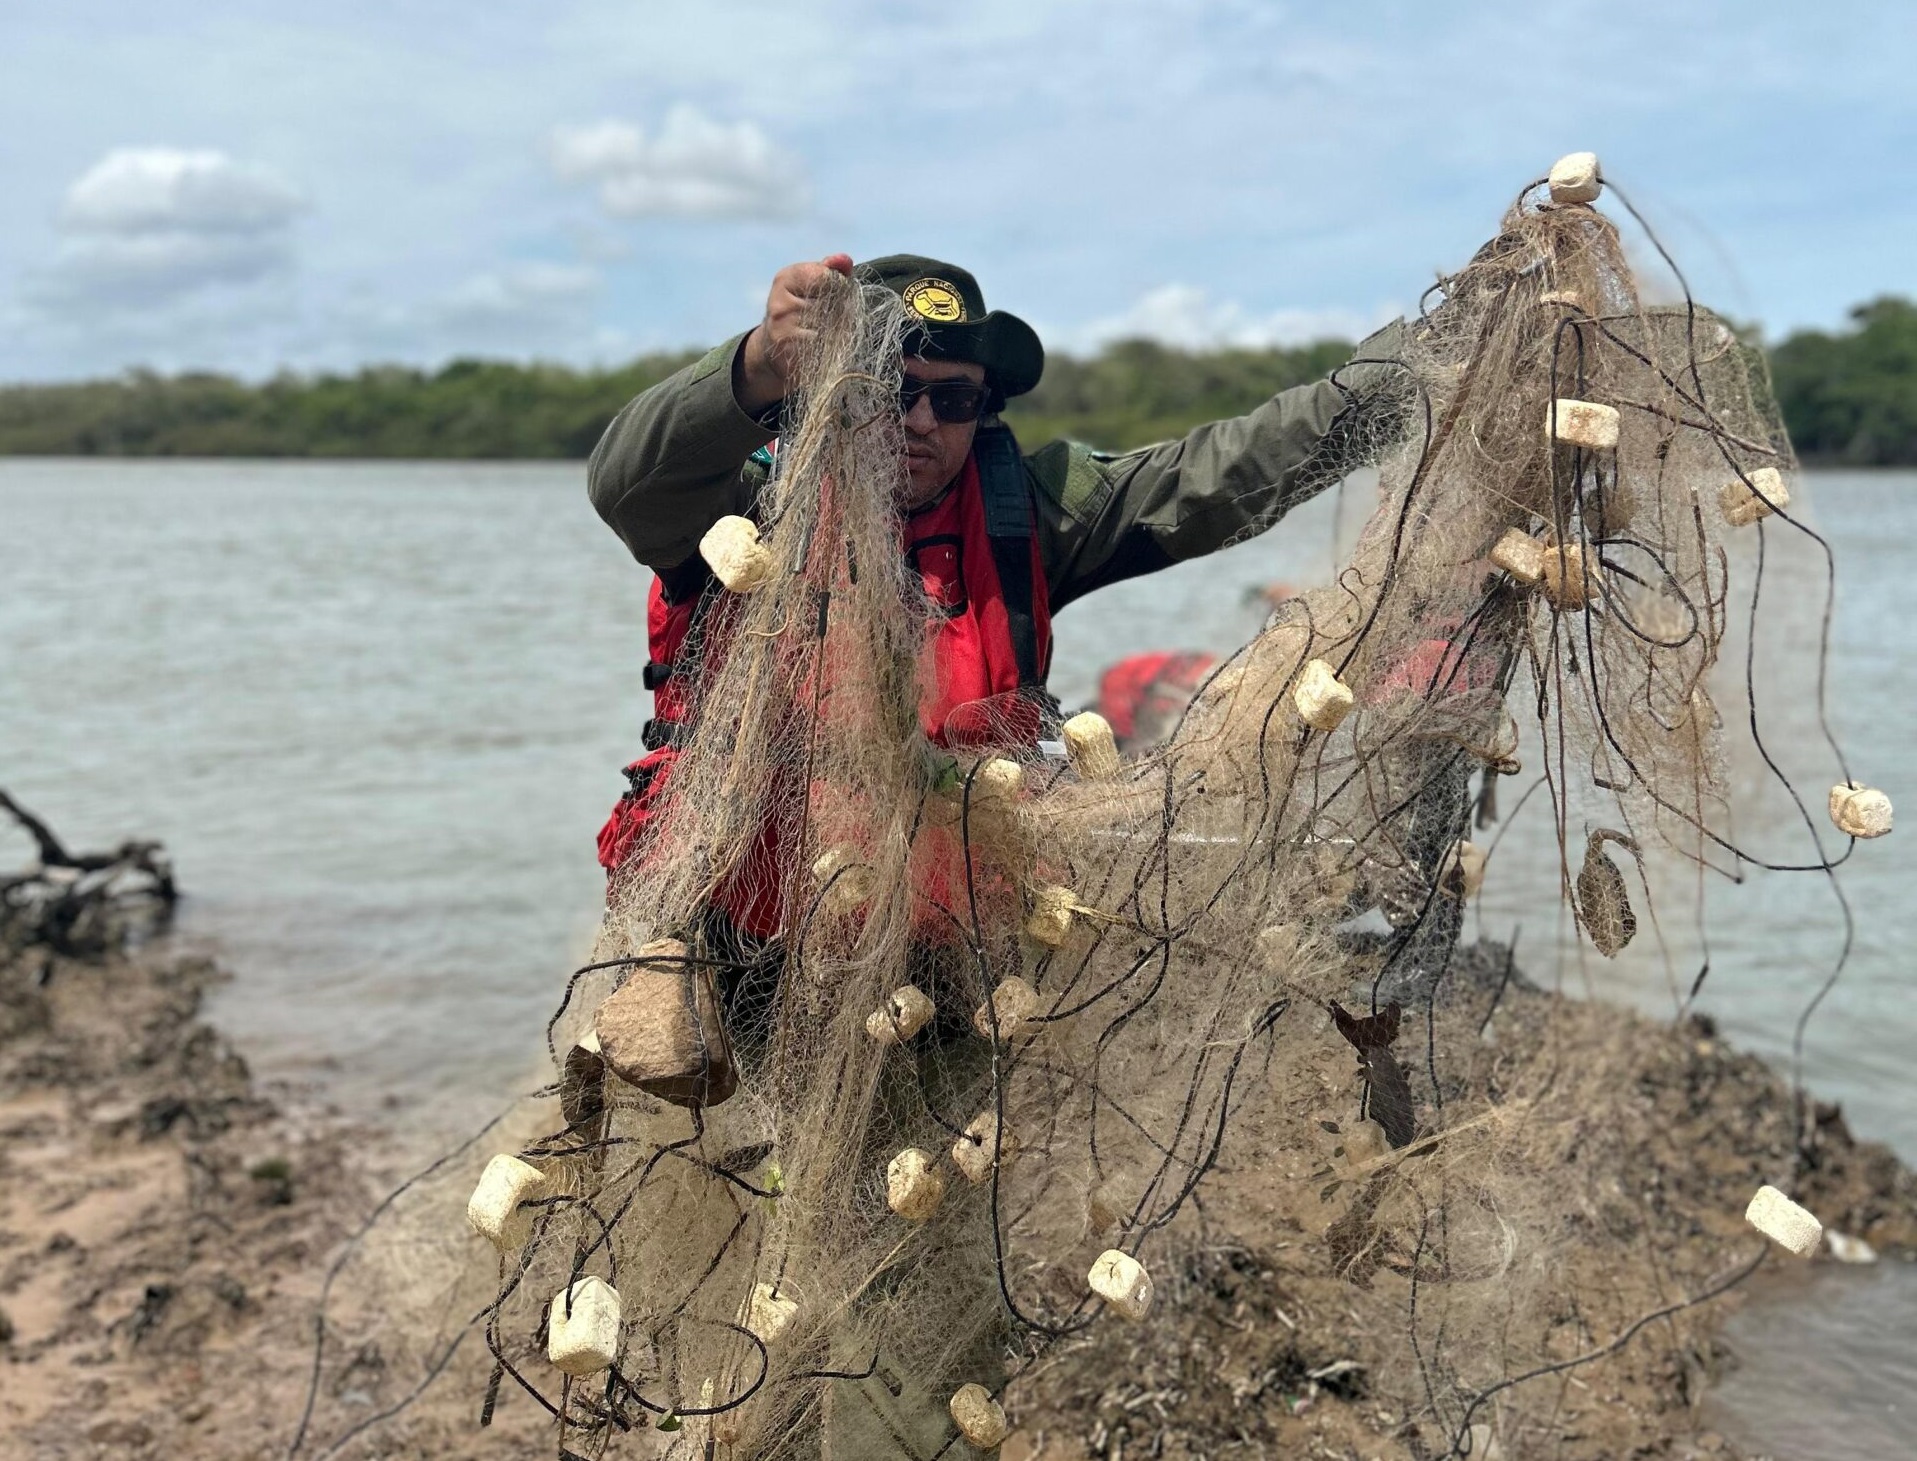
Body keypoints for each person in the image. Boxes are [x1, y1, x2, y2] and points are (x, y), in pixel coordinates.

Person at [585, 253, 1401, 1454]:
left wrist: (1402, 382)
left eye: (954, 399)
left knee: (914, 1248)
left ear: (984, 410)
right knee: (868, 1258)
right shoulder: (734, 493)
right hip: (759, 950)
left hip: (957, 958)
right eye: (887, 389)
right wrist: (758, 365)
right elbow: (621, 482)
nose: (920, 421)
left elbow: (1215, 475)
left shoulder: (1027, 503)